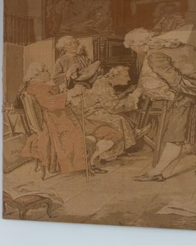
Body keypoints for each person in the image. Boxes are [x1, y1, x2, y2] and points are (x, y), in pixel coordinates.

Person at [131, 30, 196, 181]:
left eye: (133, 48)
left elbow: (176, 81)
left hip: (188, 96)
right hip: (190, 93)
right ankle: (156, 172)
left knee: (175, 134)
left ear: (138, 45)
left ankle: (156, 172)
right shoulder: (175, 45)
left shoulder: (154, 55)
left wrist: (171, 95)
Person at [20, 62, 89, 175]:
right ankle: (76, 164)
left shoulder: (35, 84)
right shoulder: (38, 86)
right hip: (50, 120)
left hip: (49, 116)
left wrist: (67, 79)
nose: (48, 73)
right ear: (39, 74)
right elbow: (50, 102)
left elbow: (52, 92)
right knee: (75, 128)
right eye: (46, 71)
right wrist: (70, 93)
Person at [80, 66, 141, 167]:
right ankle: (108, 154)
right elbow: (113, 107)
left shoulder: (105, 82)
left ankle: (117, 150)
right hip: (90, 114)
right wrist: (133, 97)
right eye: (125, 76)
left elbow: (111, 101)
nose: (129, 79)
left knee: (121, 118)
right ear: (116, 76)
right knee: (117, 119)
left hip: (96, 110)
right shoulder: (103, 84)